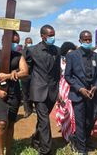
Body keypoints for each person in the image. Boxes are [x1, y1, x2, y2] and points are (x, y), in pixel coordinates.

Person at [0, 31, 28, 155]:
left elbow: (25, 72)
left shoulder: (19, 56)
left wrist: (9, 75)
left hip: (14, 93)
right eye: (13, 42)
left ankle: (8, 151)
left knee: (10, 124)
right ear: (4, 41)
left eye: (17, 42)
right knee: (1, 123)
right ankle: (0, 152)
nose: (16, 44)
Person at [64, 30, 97, 155]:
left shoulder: (96, 56)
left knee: (90, 120)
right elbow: (68, 76)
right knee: (80, 122)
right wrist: (80, 89)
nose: (87, 41)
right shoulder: (72, 56)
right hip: (78, 94)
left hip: (92, 94)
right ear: (80, 40)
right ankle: (82, 149)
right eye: (85, 39)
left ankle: (82, 140)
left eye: (89, 39)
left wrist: (96, 86)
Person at [24, 25, 60, 155]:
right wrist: (27, 94)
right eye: (50, 35)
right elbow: (26, 73)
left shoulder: (58, 50)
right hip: (38, 90)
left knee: (41, 120)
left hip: (52, 91)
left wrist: (58, 90)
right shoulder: (32, 51)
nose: (52, 38)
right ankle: (46, 150)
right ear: (42, 36)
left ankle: (36, 139)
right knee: (45, 120)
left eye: (53, 35)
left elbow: (57, 72)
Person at [55, 41, 76, 141]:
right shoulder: (60, 61)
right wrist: (58, 92)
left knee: (72, 110)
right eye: (68, 52)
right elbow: (58, 76)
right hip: (63, 86)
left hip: (74, 86)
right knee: (64, 109)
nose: (70, 54)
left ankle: (71, 132)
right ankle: (65, 132)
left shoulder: (76, 60)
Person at [20, 37, 34, 118]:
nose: (29, 43)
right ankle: (26, 110)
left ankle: (31, 108)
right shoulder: (22, 52)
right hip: (24, 76)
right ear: (25, 43)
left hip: (33, 75)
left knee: (32, 92)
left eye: (30, 42)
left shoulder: (34, 51)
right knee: (25, 93)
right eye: (28, 42)